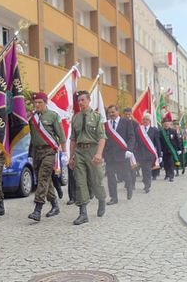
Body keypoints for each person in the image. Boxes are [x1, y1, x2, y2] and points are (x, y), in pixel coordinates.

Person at [27, 92, 67, 222]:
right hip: (36, 151)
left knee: (43, 177)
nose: (37, 105)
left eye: (40, 103)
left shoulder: (53, 116)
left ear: (45, 103)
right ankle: (55, 205)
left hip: (49, 151)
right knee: (45, 180)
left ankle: (37, 209)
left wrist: (64, 153)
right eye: (35, 103)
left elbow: (61, 135)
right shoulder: (31, 117)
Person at [68, 90, 107, 225]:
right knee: (80, 181)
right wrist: (71, 156)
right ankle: (83, 213)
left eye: (83, 100)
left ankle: (101, 200)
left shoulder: (97, 117)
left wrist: (99, 154)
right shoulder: (75, 118)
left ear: (89, 100)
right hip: (79, 151)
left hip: (93, 151)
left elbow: (102, 137)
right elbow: (73, 139)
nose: (80, 103)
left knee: (96, 180)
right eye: (79, 100)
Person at [103, 105, 135, 205]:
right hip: (110, 155)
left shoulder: (126, 122)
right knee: (111, 177)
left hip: (122, 154)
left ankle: (129, 187)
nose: (111, 114)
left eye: (113, 112)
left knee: (125, 174)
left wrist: (129, 150)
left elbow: (131, 137)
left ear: (117, 112)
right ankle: (113, 197)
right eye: (109, 113)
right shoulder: (105, 124)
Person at [135, 113, 161, 193]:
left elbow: (157, 143)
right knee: (143, 170)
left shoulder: (154, 130)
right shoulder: (139, 130)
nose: (145, 121)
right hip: (141, 154)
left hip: (150, 154)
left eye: (146, 119)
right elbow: (136, 142)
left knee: (147, 170)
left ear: (149, 121)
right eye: (144, 119)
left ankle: (147, 185)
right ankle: (146, 183)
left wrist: (159, 155)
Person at [159, 116, 181, 182]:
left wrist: (179, 149)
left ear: (169, 124)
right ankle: (167, 174)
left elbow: (177, 140)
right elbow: (159, 142)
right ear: (163, 124)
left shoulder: (173, 131)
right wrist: (160, 151)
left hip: (172, 150)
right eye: (165, 123)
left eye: (167, 123)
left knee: (171, 163)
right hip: (164, 150)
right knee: (165, 163)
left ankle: (171, 176)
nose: (166, 124)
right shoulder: (161, 132)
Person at [123, 108, 139, 189]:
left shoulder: (135, 124)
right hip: (122, 147)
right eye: (126, 114)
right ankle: (127, 182)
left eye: (129, 114)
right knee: (125, 167)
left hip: (132, 148)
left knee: (132, 167)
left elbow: (136, 137)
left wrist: (133, 148)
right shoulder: (121, 123)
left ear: (131, 114)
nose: (127, 116)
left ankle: (133, 183)